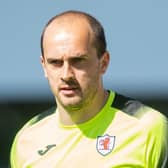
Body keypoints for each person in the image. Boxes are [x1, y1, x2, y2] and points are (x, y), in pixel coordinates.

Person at [10, 10, 168, 168]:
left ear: (103, 62)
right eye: (55, 62)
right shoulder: (26, 140)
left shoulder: (149, 128)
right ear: (44, 66)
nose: (66, 74)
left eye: (78, 60)